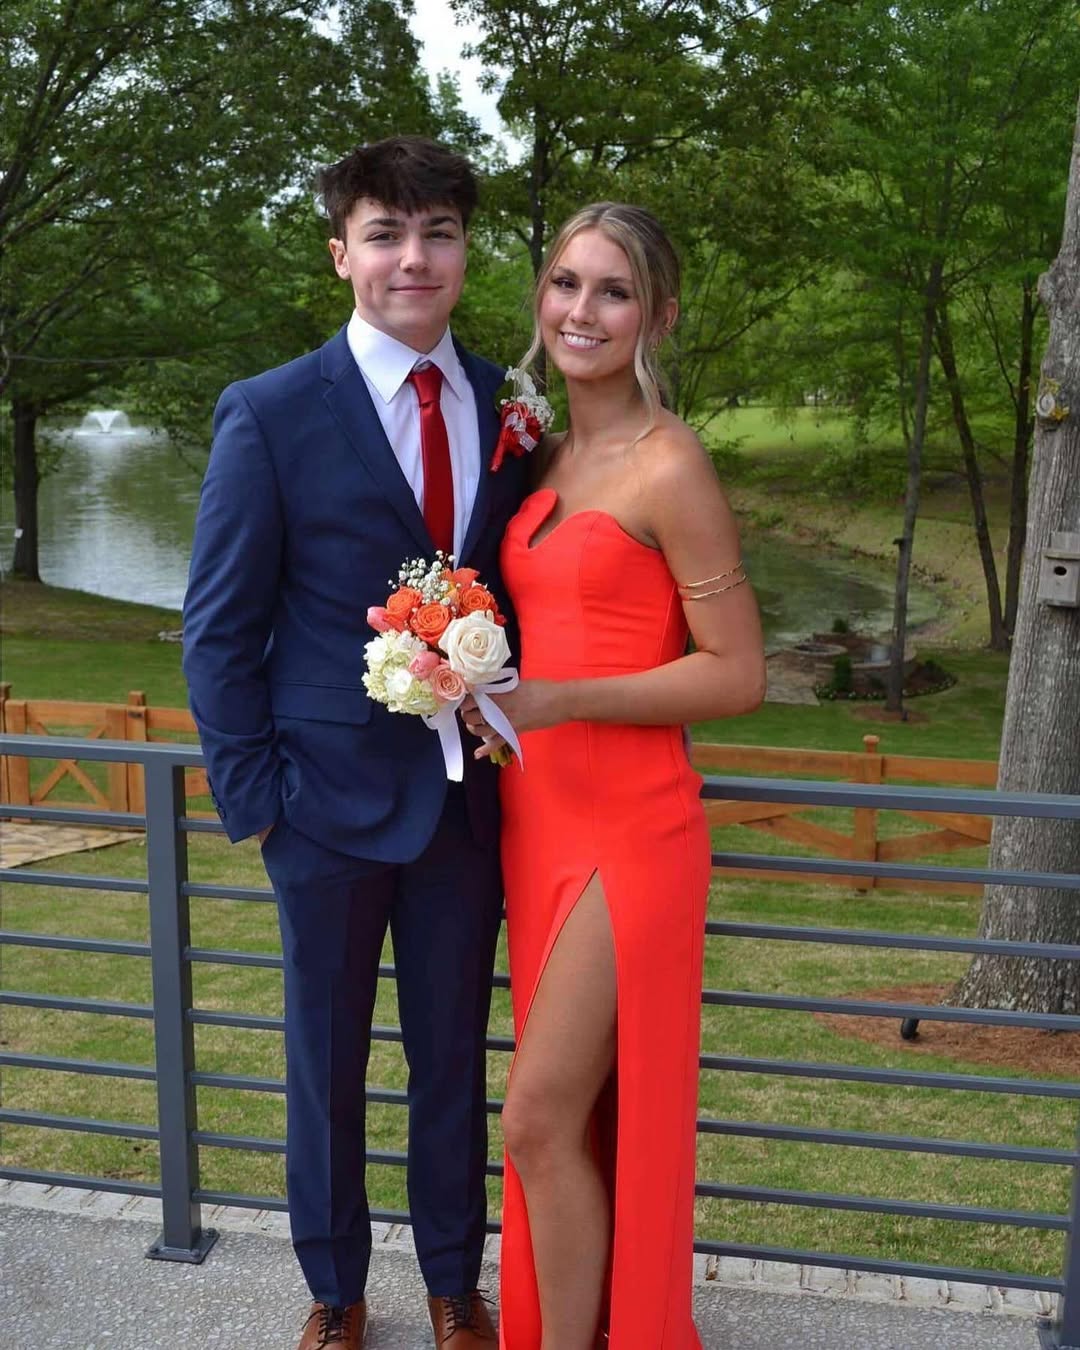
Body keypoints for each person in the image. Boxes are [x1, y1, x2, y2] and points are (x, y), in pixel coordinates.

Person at [182, 136, 529, 1350]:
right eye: (386, 234)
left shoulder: (512, 409)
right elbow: (218, 629)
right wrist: (260, 803)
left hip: (468, 809)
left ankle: (453, 1282)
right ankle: (334, 1293)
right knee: (325, 1067)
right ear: (342, 255)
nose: (412, 258)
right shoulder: (272, 412)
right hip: (320, 807)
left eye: (438, 233)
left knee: (453, 1063)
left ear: (465, 252)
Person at [461, 203, 766, 1349]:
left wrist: (559, 698)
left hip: (630, 834)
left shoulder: (670, 464)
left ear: (659, 317)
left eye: (615, 291)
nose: (583, 310)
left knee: (537, 1118)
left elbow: (738, 674)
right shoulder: (537, 455)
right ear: (540, 297)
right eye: (566, 283)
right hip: (534, 818)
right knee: (567, 1122)